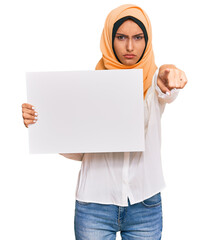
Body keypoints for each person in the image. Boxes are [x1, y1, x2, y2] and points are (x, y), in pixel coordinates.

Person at [22, 4, 187, 240]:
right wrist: (40, 122)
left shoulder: (154, 81)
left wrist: (169, 76)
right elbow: (79, 149)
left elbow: (166, 90)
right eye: (121, 37)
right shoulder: (88, 87)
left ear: (147, 40)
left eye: (138, 38)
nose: (130, 46)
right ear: (109, 38)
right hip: (94, 204)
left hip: (145, 204)